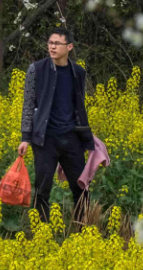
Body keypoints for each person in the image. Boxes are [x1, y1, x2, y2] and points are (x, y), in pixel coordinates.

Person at [18, 29, 95, 222]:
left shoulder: (78, 72)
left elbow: (79, 104)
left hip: (71, 138)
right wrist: (25, 137)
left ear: (69, 47)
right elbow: (28, 104)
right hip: (45, 139)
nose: (52, 46)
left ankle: (81, 229)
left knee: (81, 187)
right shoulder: (36, 69)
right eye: (50, 42)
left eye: (57, 43)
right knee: (42, 188)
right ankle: (41, 232)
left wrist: (85, 136)